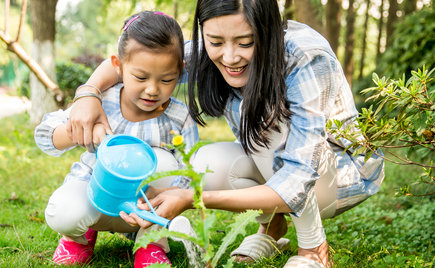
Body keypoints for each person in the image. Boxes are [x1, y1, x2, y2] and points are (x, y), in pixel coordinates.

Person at [66, 1, 385, 267]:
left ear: (266, 30)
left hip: (339, 175)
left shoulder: (305, 58)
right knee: (206, 163)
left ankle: (314, 250)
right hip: (274, 160)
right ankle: (271, 229)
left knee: (267, 121)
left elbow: (298, 178)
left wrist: (192, 199)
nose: (230, 57)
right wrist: (88, 93)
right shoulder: (213, 44)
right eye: (216, 42)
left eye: (245, 43)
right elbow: (141, 56)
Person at [34, 11, 198, 267]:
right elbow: (46, 136)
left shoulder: (179, 117)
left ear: (180, 71)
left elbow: (190, 169)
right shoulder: (103, 101)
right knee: (64, 211)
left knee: (164, 161)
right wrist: (84, 130)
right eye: (141, 77)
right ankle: (78, 237)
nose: (153, 90)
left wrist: (168, 194)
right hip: (96, 195)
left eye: (167, 80)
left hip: (146, 206)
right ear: (118, 66)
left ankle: (150, 242)